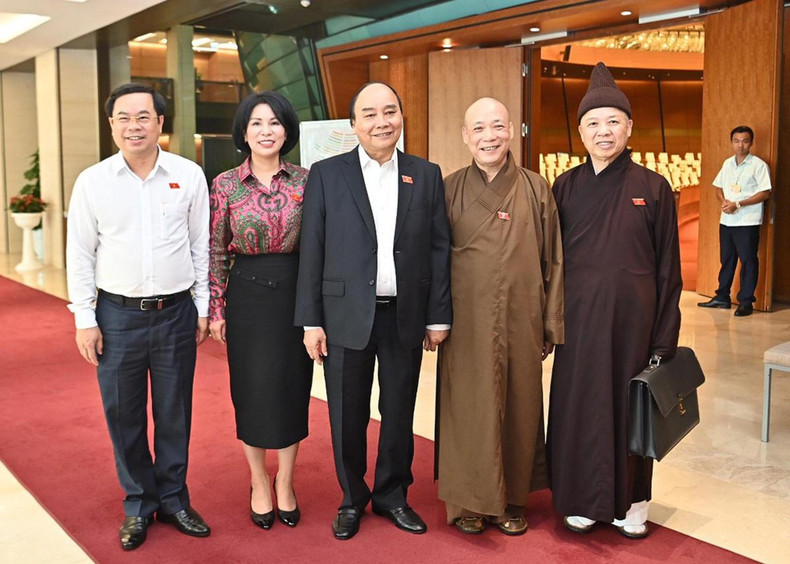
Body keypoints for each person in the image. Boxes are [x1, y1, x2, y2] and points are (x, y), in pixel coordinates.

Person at [295, 82, 452, 540]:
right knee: (347, 413)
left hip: (405, 313)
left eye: (390, 112)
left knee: (400, 409)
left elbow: (440, 249)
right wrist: (311, 320)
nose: (381, 122)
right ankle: (352, 497)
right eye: (370, 114)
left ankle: (392, 495)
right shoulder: (326, 173)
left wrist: (438, 315)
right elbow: (312, 250)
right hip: (344, 314)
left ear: (402, 116)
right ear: (353, 125)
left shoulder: (425, 174)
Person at [66, 83, 211, 551]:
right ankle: (138, 505)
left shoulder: (188, 175)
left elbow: (200, 247)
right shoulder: (93, 181)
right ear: (112, 126)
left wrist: (203, 307)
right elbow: (79, 255)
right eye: (124, 118)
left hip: (175, 313)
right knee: (123, 415)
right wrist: (84, 318)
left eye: (144, 116)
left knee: (175, 414)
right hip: (116, 316)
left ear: (160, 123)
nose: (134, 125)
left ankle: (174, 499)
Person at [546, 62, 682, 540]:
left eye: (612, 121)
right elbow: (549, 262)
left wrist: (664, 338)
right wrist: (549, 322)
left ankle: (634, 503)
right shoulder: (564, 186)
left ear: (629, 126)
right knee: (580, 407)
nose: (603, 131)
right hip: (578, 324)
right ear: (580, 130)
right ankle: (582, 500)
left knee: (632, 414)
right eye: (593, 123)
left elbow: (670, 270)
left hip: (634, 327)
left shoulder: (653, 187)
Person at [437, 97, 564, 536]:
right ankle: (467, 501)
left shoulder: (535, 187)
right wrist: (434, 319)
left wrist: (551, 322)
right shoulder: (449, 187)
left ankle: (513, 498)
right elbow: (433, 261)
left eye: (496, 127)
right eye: (479, 128)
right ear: (465, 136)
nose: (488, 137)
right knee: (467, 409)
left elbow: (555, 262)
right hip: (465, 323)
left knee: (520, 406)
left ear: (511, 131)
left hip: (521, 317)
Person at [208, 92, 313, 530]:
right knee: (250, 391)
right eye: (256, 123)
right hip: (247, 296)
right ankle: (258, 481)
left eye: (274, 122)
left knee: (291, 390)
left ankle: (286, 481)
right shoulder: (225, 184)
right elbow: (214, 249)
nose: (266, 131)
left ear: (287, 129)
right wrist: (217, 308)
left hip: (296, 293)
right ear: (244, 132)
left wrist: (317, 312)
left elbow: (320, 247)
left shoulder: (308, 180)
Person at [697, 126, 771, 317]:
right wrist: (723, 201)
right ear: (732, 142)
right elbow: (718, 187)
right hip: (727, 220)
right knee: (727, 260)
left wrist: (738, 203)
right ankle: (722, 296)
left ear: (751, 143)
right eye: (737, 141)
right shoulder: (728, 163)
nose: (740, 145)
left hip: (747, 221)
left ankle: (746, 301)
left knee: (748, 261)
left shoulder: (758, 165)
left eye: (745, 141)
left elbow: (765, 192)